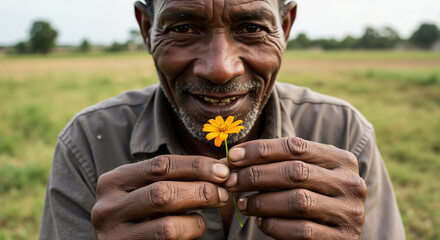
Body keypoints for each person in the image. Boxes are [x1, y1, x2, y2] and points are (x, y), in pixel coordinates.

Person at [39, 0, 405, 239]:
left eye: (251, 27)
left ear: (286, 26)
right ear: (146, 27)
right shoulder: (88, 143)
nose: (219, 68)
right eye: (183, 28)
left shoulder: (343, 134)